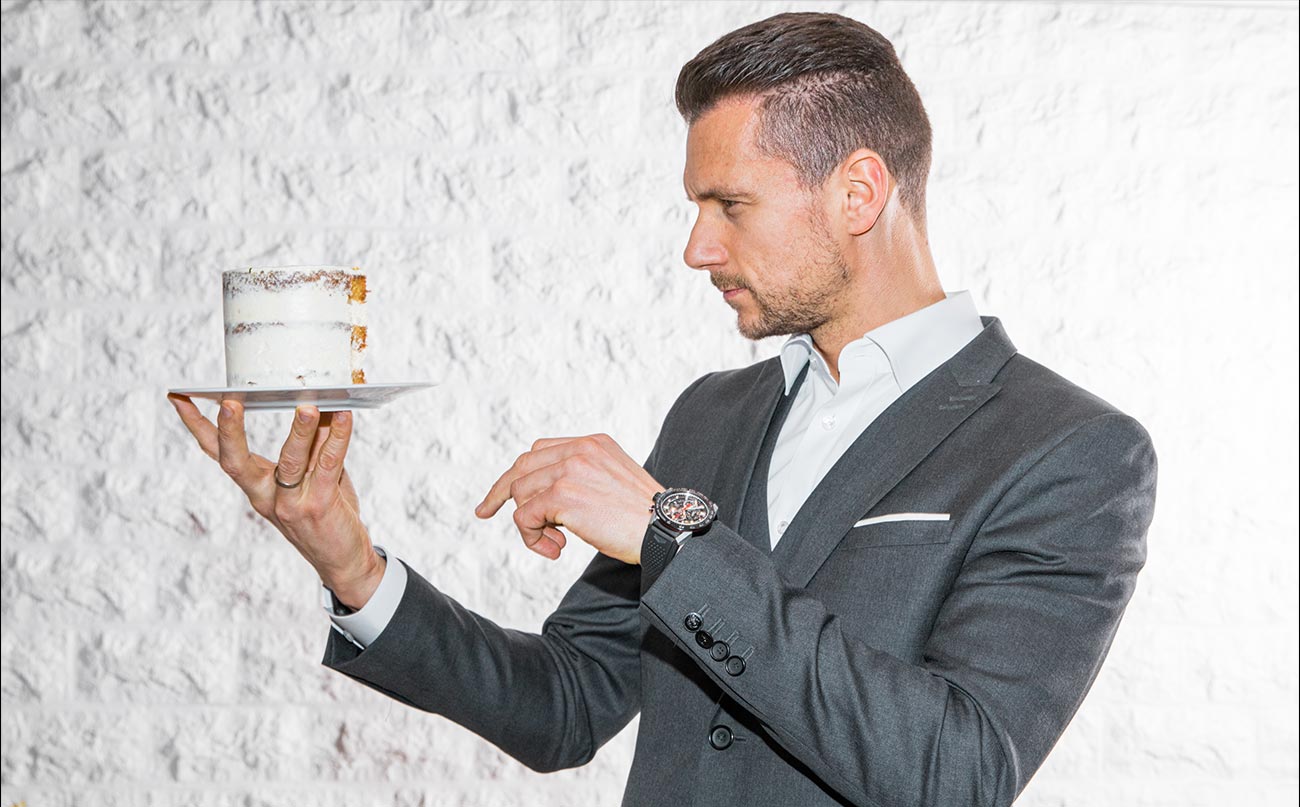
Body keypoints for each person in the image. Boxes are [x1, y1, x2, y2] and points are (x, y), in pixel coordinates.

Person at [170, 12, 1156, 807]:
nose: (698, 249)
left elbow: (953, 775)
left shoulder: (1070, 449)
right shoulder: (710, 417)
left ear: (857, 190)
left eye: (729, 205)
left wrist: (669, 533)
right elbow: (565, 705)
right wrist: (349, 563)